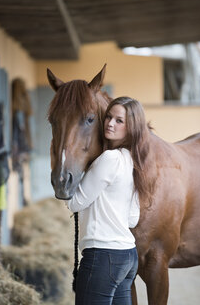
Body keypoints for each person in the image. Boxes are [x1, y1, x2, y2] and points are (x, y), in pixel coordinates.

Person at [66, 97, 148, 305]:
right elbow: (132, 218)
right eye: (109, 117)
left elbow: (75, 203)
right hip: (127, 256)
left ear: (132, 127)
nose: (110, 123)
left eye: (119, 121)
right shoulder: (133, 160)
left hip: (103, 256)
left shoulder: (109, 159)